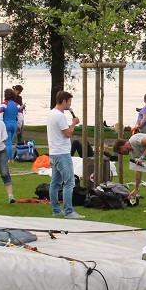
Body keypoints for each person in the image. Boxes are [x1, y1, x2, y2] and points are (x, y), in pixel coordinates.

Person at [48, 90, 85, 220]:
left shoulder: (52, 113)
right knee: (69, 182)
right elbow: (67, 133)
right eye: (69, 102)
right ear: (64, 101)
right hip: (62, 153)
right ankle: (69, 211)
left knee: (55, 183)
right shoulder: (60, 116)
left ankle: (56, 210)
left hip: (53, 153)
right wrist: (74, 123)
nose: (70, 105)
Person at [114, 133, 146, 212]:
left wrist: (143, 157)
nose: (122, 154)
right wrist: (136, 189)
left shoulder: (134, 139)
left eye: (120, 152)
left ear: (121, 147)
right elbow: (138, 171)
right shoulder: (134, 154)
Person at [0, 88, 20, 160]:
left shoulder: (3, 105)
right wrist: (19, 126)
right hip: (14, 125)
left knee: (8, 142)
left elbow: (0, 116)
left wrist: (0, 126)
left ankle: (10, 158)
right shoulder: (17, 105)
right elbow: (20, 117)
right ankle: (9, 156)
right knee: (11, 141)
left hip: (6, 125)